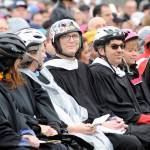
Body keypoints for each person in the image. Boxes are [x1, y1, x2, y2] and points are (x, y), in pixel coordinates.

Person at [44, 19, 145, 150]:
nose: (71, 40)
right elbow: (62, 113)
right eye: (65, 36)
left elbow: (99, 102)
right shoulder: (49, 72)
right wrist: (98, 125)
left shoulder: (83, 68)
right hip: (79, 129)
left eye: (75, 35)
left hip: (99, 124)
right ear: (55, 42)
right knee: (131, 143)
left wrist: (112, 118)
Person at [17, 28, 112, 150]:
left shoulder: (41, 75)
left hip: (62, 128)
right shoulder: (23, 82)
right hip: (46, 134)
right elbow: (39, 115)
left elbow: (64, 106)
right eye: (41, 51)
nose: (45, 55)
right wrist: (68, 128)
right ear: (31, 55)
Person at [90, 26, 150, 150]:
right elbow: (113, 106)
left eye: (122, 46)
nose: (120, 50)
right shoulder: (98, 72)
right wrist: (143, 118)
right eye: (114, 46)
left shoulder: (118, 70)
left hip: (132, 121)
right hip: (120, 125)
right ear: (101, 50)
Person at [0, 32, 40, 150]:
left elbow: (16, 115)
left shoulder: (3, 86)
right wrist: (20, 141)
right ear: (7, 63)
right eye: (17, 62)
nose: (18, 68)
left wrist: (27, 132)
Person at [121, 29, 150, 113]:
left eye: (136, 50)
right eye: (130, 51)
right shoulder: (120, 75)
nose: (135, 54)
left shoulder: (134, 71)